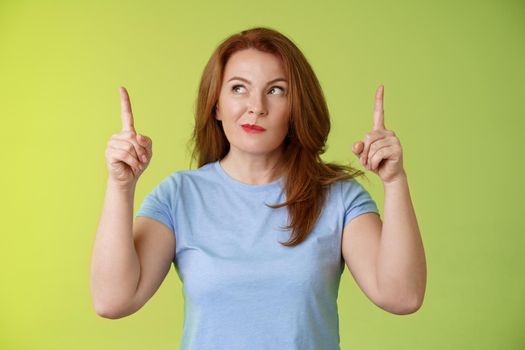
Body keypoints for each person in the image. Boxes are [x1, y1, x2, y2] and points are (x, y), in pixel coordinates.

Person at [90, 27, 427, 349]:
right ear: (216, 105)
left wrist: (395, 181)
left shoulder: (338, 196)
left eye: (276, 90)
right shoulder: (179, 195)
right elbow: (112, 300)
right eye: (238, 88)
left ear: (295, 108)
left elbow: (402, 296)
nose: (256, 107)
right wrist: (121, 186)